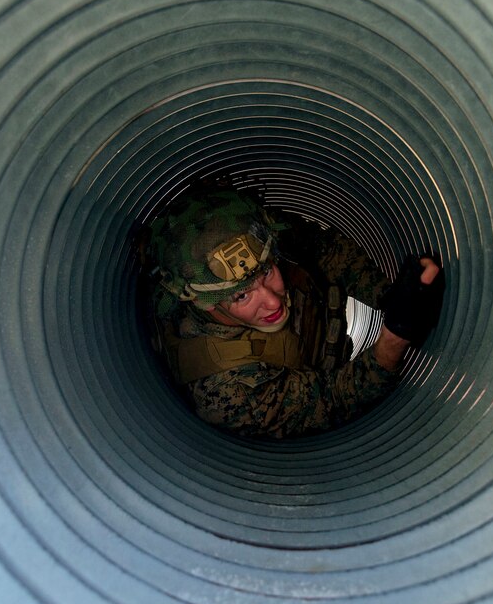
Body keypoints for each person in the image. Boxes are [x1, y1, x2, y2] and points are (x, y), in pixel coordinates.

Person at [143, 187, 443, 438]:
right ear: (205, 304)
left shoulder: (253, 240)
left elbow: (321, 248)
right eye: (243, 295)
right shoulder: (226, 393)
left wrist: (390, 297)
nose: (273, 302)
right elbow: (333, 400)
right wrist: (394, 338)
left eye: (268, 273)